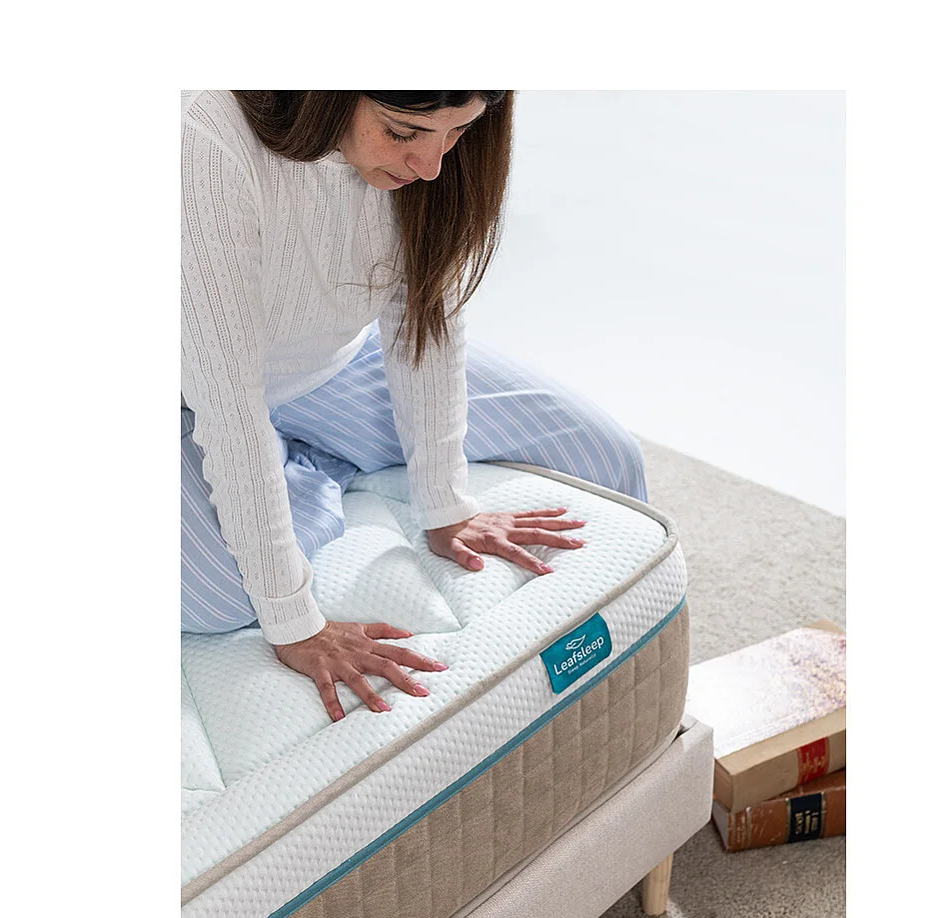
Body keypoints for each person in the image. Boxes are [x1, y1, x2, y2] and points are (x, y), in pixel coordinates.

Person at [181, 90, 648, 723]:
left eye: (457, 132)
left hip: (332, 363)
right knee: (226, 597)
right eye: (404, 132)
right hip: (193, 392)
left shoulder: (430, 159)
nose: (430, 167)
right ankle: (312, 467)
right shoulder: (205, 138)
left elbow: (424, 320)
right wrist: (296, 625)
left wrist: (445, 506)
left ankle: (306, 460)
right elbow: (229, 409)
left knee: (605, 454)